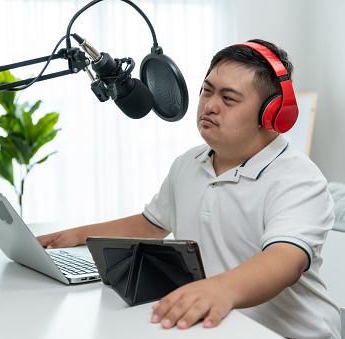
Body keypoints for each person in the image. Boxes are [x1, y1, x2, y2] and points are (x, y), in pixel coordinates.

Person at [37, 39, 341, 338]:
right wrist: (76, 236)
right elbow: (151, 225)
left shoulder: (298, 178)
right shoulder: (188, 163)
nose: (209, 105)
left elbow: (284, 259)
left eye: (229, 98)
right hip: (215, 326)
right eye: (206, 91)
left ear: (270, 114)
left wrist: (221, 289)